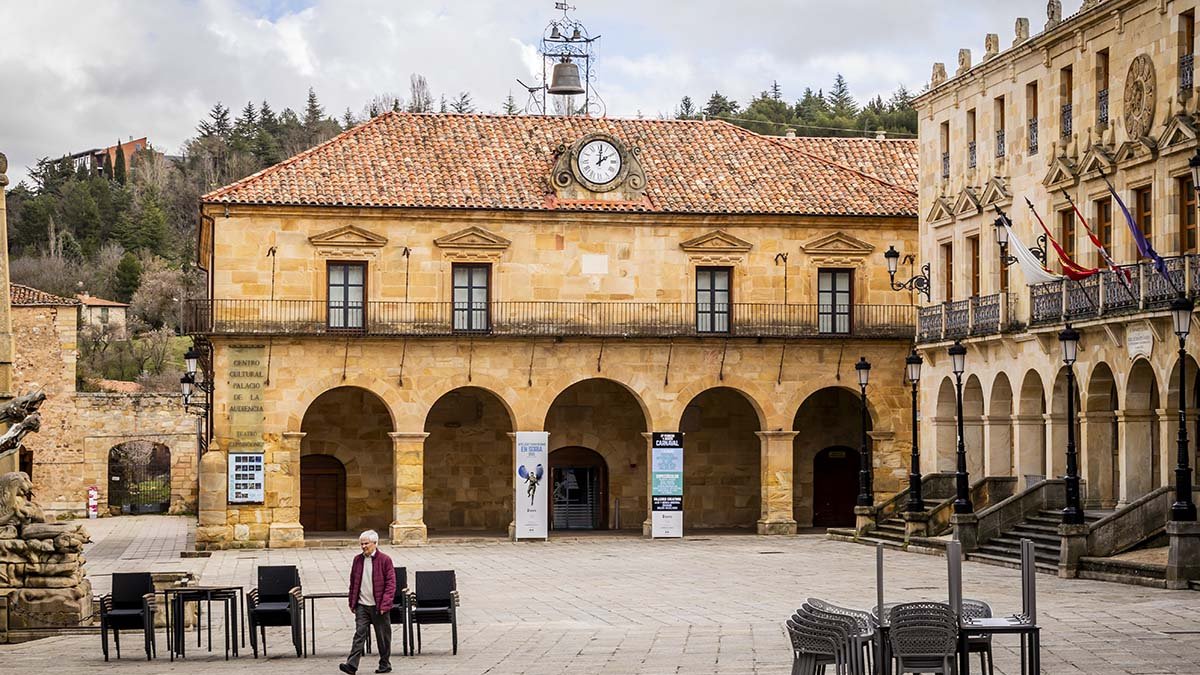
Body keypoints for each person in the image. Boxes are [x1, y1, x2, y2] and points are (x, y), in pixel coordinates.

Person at [340, 530, 396, 674]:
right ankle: (351, 665)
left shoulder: (385, 560)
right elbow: (353, 582)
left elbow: (391, 584)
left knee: (383, 637)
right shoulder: (357, 560)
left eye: (366, 543)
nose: (364, 546)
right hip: (362, 605)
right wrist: (352, 602)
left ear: (375, 543)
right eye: (362, 543)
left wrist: (385, 604)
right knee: (359, 634)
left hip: (379, 606)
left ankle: (385, 664)